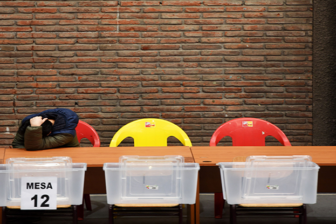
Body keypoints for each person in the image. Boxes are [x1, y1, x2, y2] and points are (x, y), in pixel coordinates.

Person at [12, 108, 80, 150]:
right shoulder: (28, 121)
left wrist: (35, 127)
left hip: (66, 157)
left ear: (49, 133)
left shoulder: (66, 134)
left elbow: (33, 146)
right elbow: (17, 144)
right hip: (41, 154)